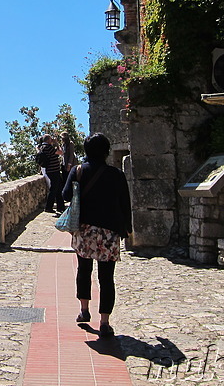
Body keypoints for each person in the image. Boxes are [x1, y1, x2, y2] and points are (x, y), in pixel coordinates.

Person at [62, 132, 132, 338]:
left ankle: (84, 311)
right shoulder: (116, 174)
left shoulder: (78, 171)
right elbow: (125, 204)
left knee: (84, 270)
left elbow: (65, 195)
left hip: (84, 230)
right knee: (107, 277)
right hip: (109, 232)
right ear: (106, 151)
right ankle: (104, 322)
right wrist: (127, 228)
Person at [37, 134, 64, 213]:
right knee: (54, 189)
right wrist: (57, 144)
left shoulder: (42, 147)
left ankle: (60, 207)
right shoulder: (48, 147)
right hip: (54, 171)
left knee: (58, 188)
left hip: (50, 170)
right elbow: (60, 152)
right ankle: (48, 207)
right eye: (51, 139)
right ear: (48, 140)